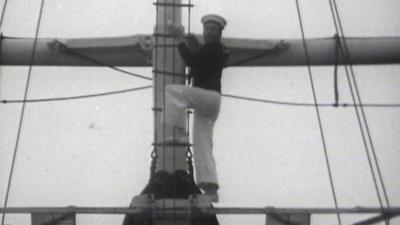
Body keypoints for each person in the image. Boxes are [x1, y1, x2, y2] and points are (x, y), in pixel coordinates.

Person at [163, 14, 229, 202]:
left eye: (212, 30)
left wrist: (179, 41)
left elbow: (193, 60)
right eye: (207, 29)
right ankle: (210, 187)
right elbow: (200, 58)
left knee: (172, 91)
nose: (208, 32)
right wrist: (188, 41)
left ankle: (179, 133)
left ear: (218, 33)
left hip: (208, 97)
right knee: (202, 143)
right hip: (210, 104)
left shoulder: (214, 47)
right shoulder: (215, 50)